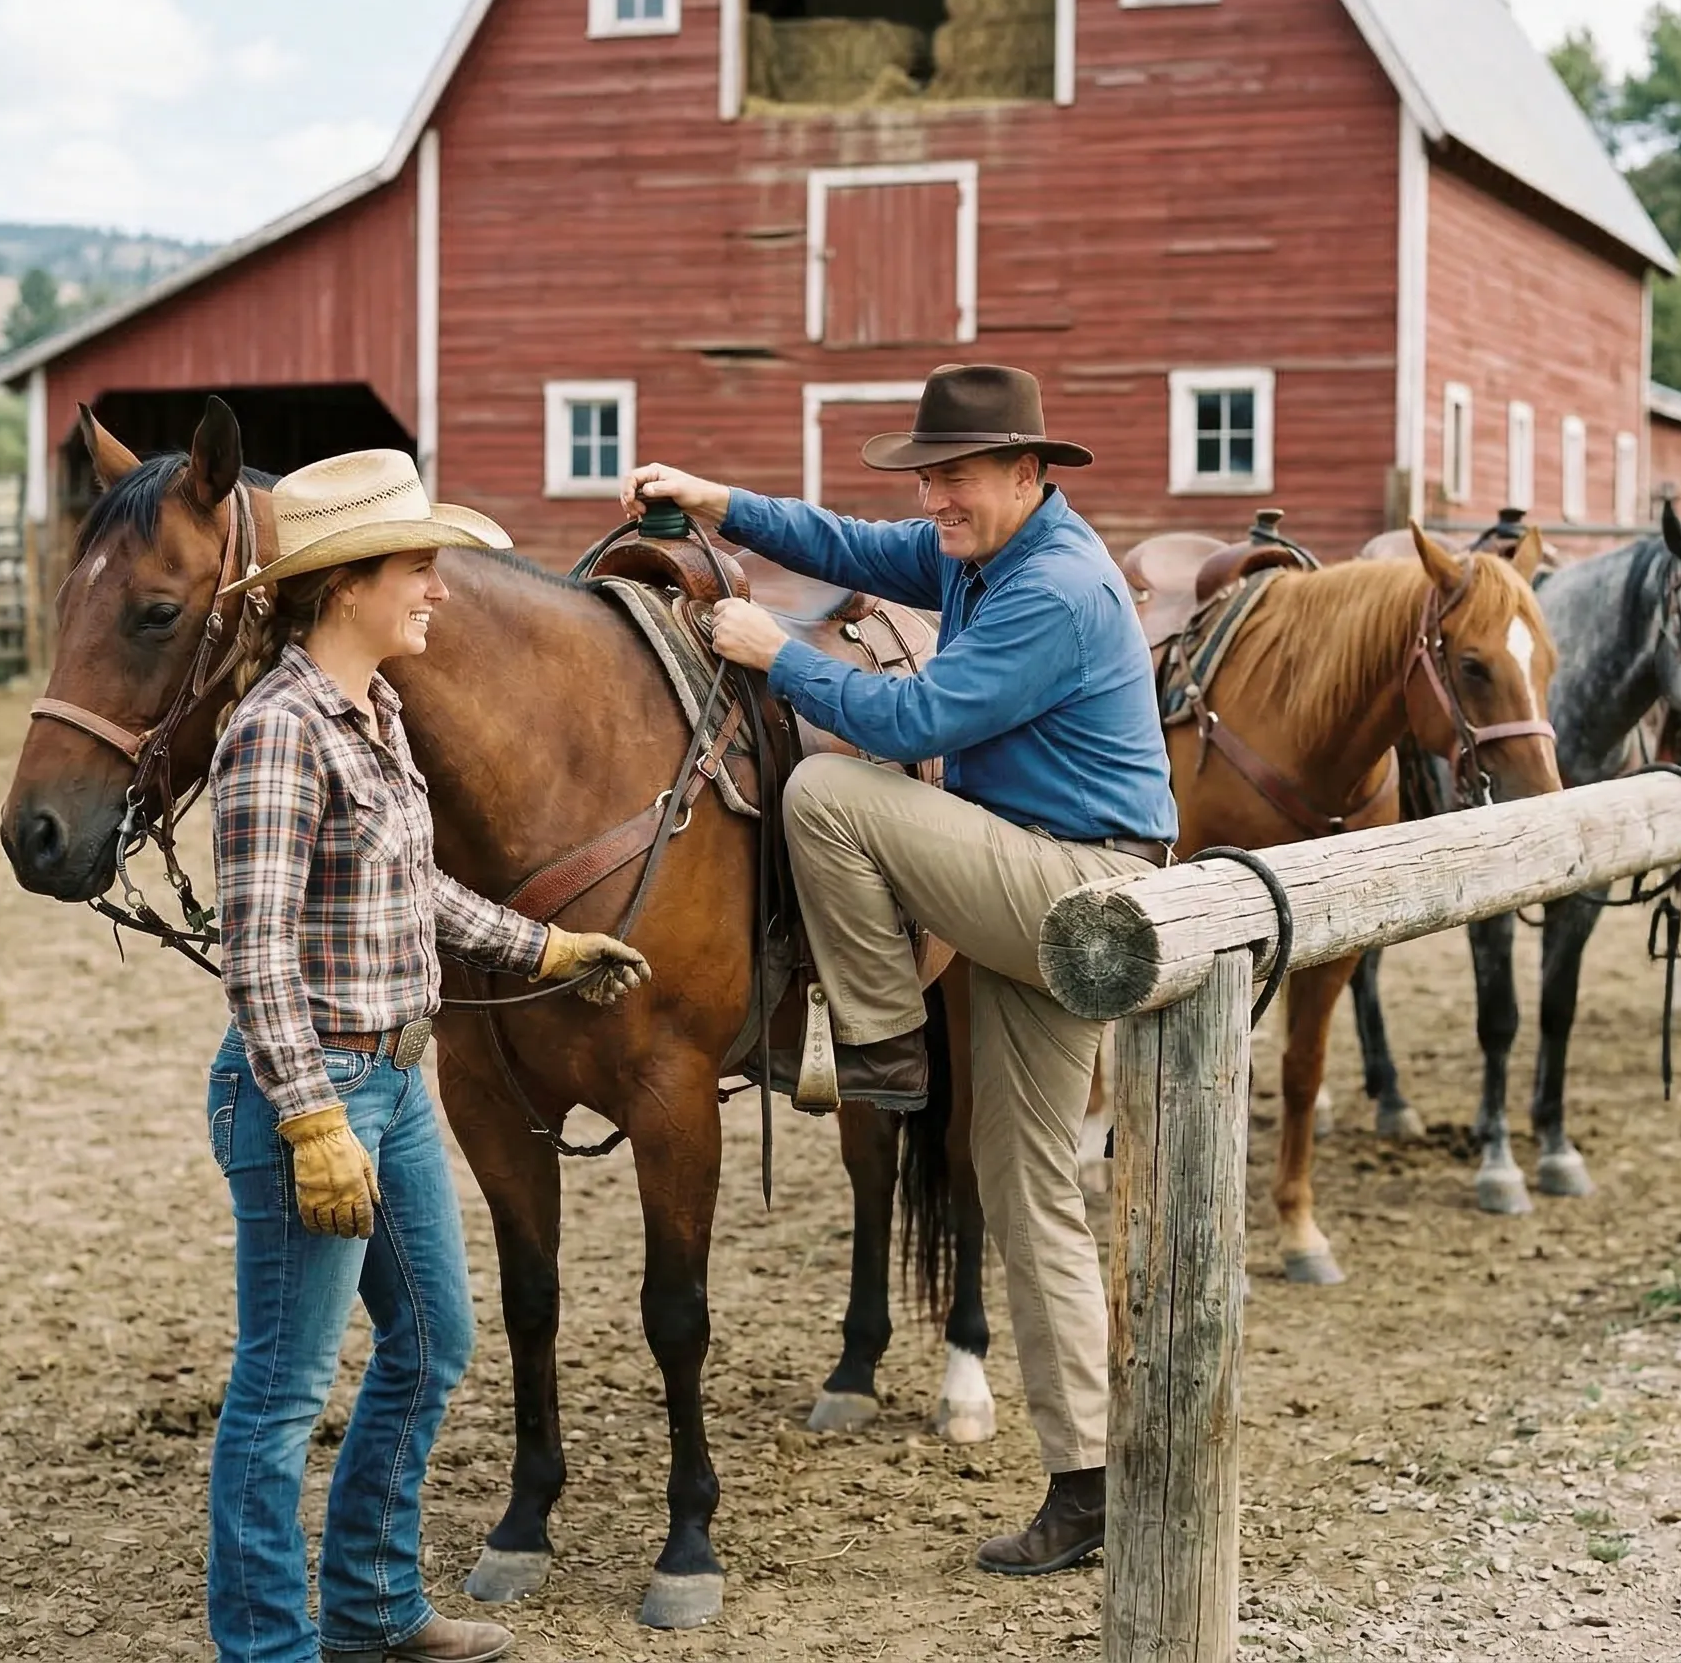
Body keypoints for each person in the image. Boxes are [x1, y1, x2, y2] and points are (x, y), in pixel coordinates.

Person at [620, 364, 1176, 1577]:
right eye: (929, 477)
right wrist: (721, 502)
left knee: (824, 790)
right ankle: (1090, 1481)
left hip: (1083, 886)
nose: (935, 498)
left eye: (958, 476)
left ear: (1031, 473)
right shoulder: (984, 557)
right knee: (1027, 1192)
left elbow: (917, 725)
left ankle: (876, 1042)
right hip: (1042, 877)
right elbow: (852, 541)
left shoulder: (1058, 590)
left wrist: (776, 651)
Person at [204, 448, 650, 1663]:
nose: (438, 590)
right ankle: (267, 1646)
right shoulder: (276, 736)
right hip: (317, 1089)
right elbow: (255, 960)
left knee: (434, 1342)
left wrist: (548, 944)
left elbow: (420, 893)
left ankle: (374, 1606)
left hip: (394, 1082)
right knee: (283, 1392)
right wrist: (309, 1120)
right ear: (346, 584)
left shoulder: (378, 711)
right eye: (418, 565)